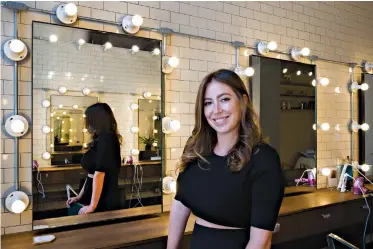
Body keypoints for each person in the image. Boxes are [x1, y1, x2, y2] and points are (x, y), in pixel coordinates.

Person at [167, 69, 285, 249]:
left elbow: (259, 242)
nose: (217, 110)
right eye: (208, 103)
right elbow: (180, 203)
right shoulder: (196, 149)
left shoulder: (263, 158)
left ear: (243, 101)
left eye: (224, 99)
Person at [66, 102, 122, 215]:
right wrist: (79, 196)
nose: (87, 123)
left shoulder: (107, 139)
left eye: (88, 119)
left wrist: (92, 205)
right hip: (92, 194)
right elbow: (91, 174)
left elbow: (99, 174)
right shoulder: (100, 139)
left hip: (103, 197)